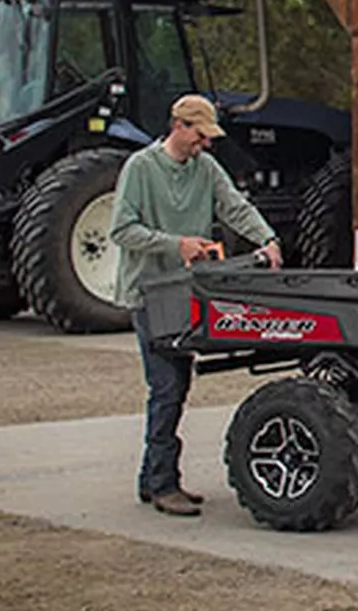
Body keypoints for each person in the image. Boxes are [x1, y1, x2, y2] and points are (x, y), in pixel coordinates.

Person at [111, 94, 283, 516]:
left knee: (176, 386)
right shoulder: (141, 169)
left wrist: (267, 238)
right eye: (201, 136)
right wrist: (177, 245)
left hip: (186, 292)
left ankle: (153, 479)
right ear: (180, 126)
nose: (205, 145)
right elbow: (122, 228)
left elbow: (233, 205)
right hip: (149, 293)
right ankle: (162, 483)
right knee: (167, 387)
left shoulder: (205, 169)